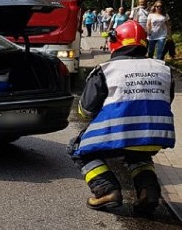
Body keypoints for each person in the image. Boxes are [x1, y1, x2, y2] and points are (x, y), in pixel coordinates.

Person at [68, 20, 175, 215]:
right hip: (157, 134)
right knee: (139, 156)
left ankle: (106, 190)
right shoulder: (164, 69)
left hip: (120, 133)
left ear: (115, 42)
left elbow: (86, 111)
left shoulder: (106, 70)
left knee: (78, 147)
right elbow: (167, 99)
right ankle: (149, 192)